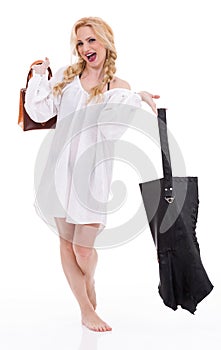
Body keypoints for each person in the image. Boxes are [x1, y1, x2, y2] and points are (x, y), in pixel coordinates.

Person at [25, 16, 160, 332]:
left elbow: (112, 131)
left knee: (83, 249)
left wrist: (136, 97)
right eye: (80, 42)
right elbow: (40, 112)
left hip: (92, 176)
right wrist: (39, 75)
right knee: (66, 243)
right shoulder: (66, 80)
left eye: (91, 40)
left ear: (105, 42)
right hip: (60, 169)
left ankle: (90, 281)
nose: (85, 47)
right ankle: (86, 309)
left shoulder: (118, 87)